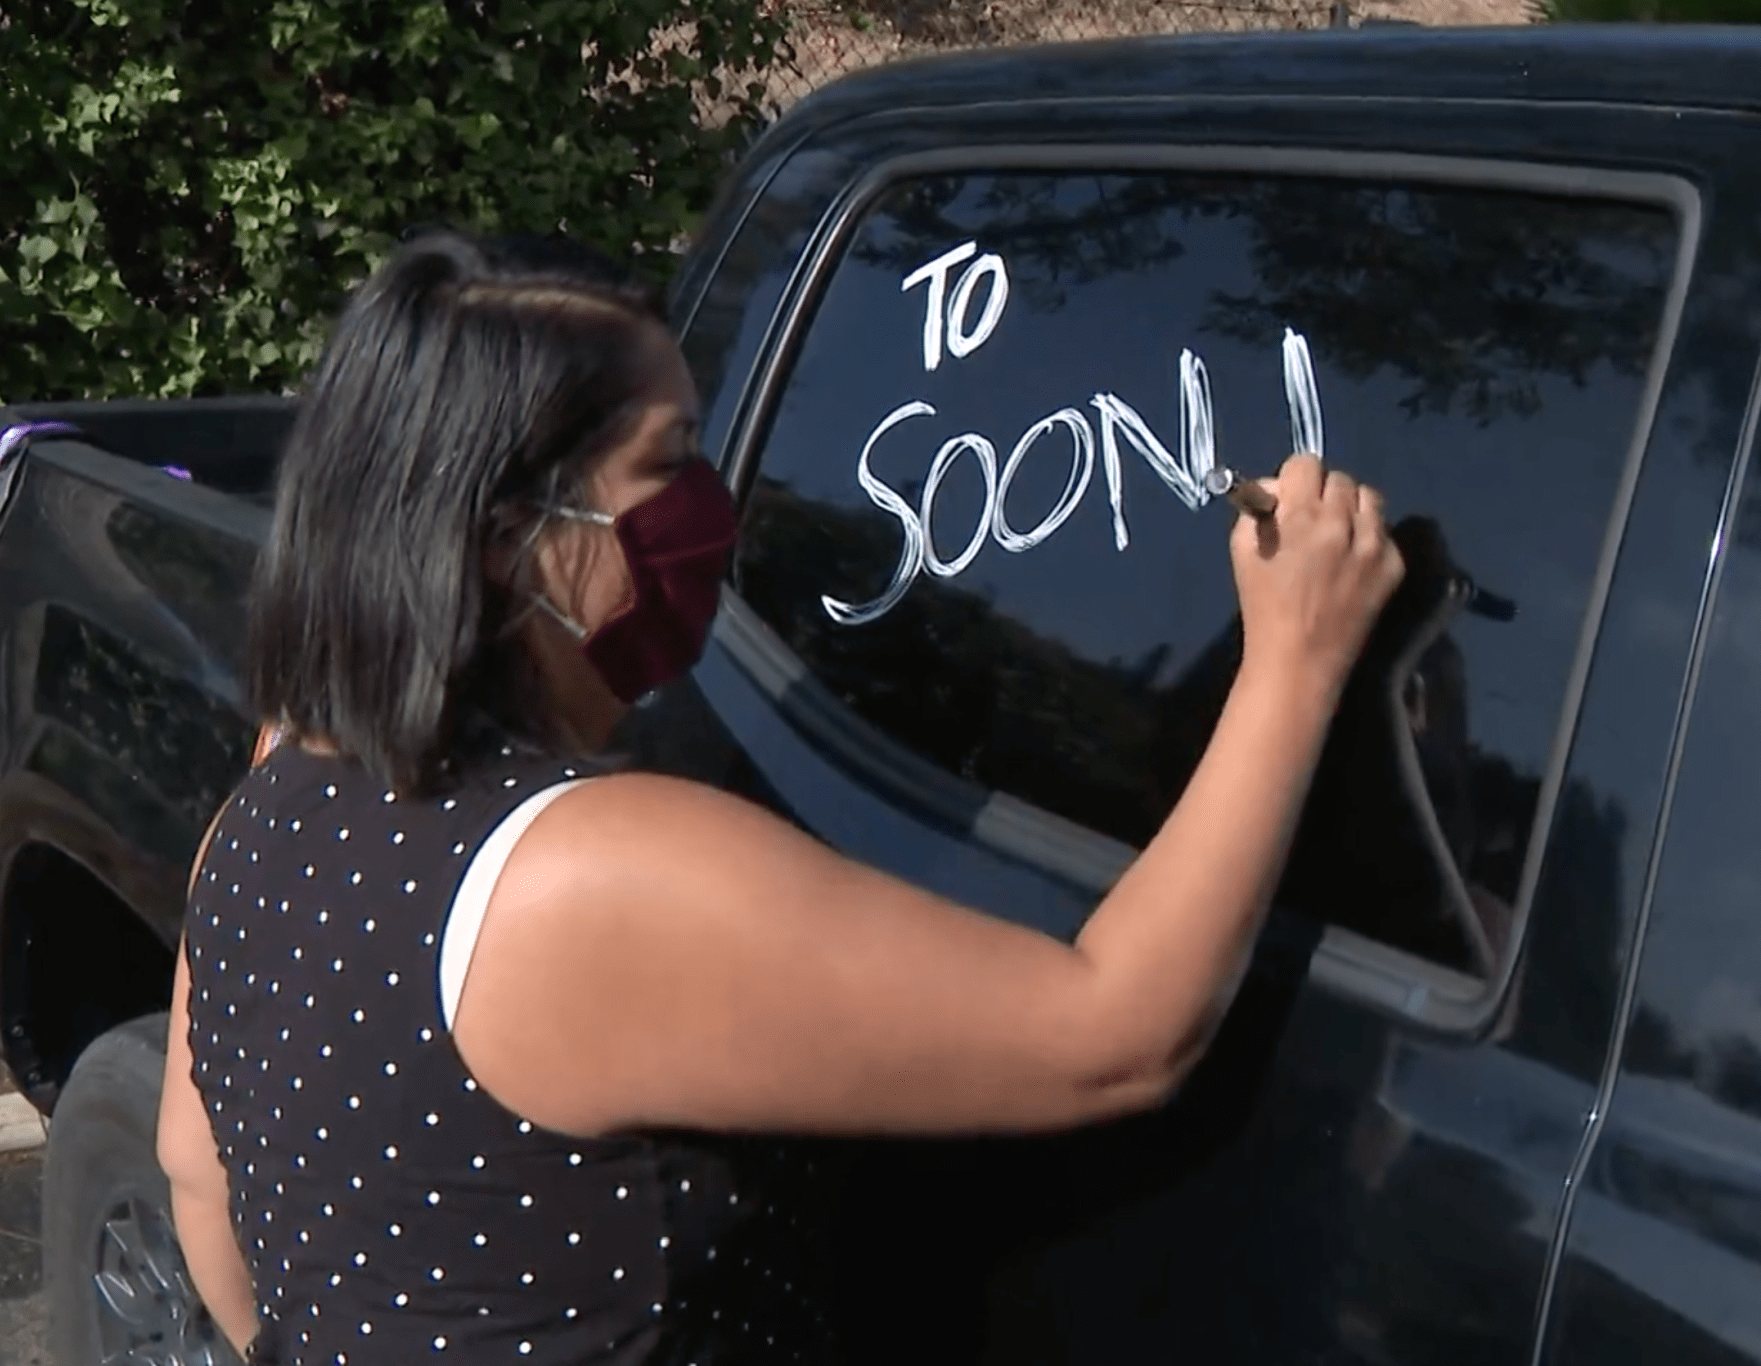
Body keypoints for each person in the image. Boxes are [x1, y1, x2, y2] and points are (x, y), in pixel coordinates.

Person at [154, 229, 1406, 1366]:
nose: (719, 512)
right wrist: (1295, 664)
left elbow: (199, 1184)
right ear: (504, 529)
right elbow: (1115, 1038)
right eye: (671, 462)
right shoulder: (585, 869)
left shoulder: (265, 806)